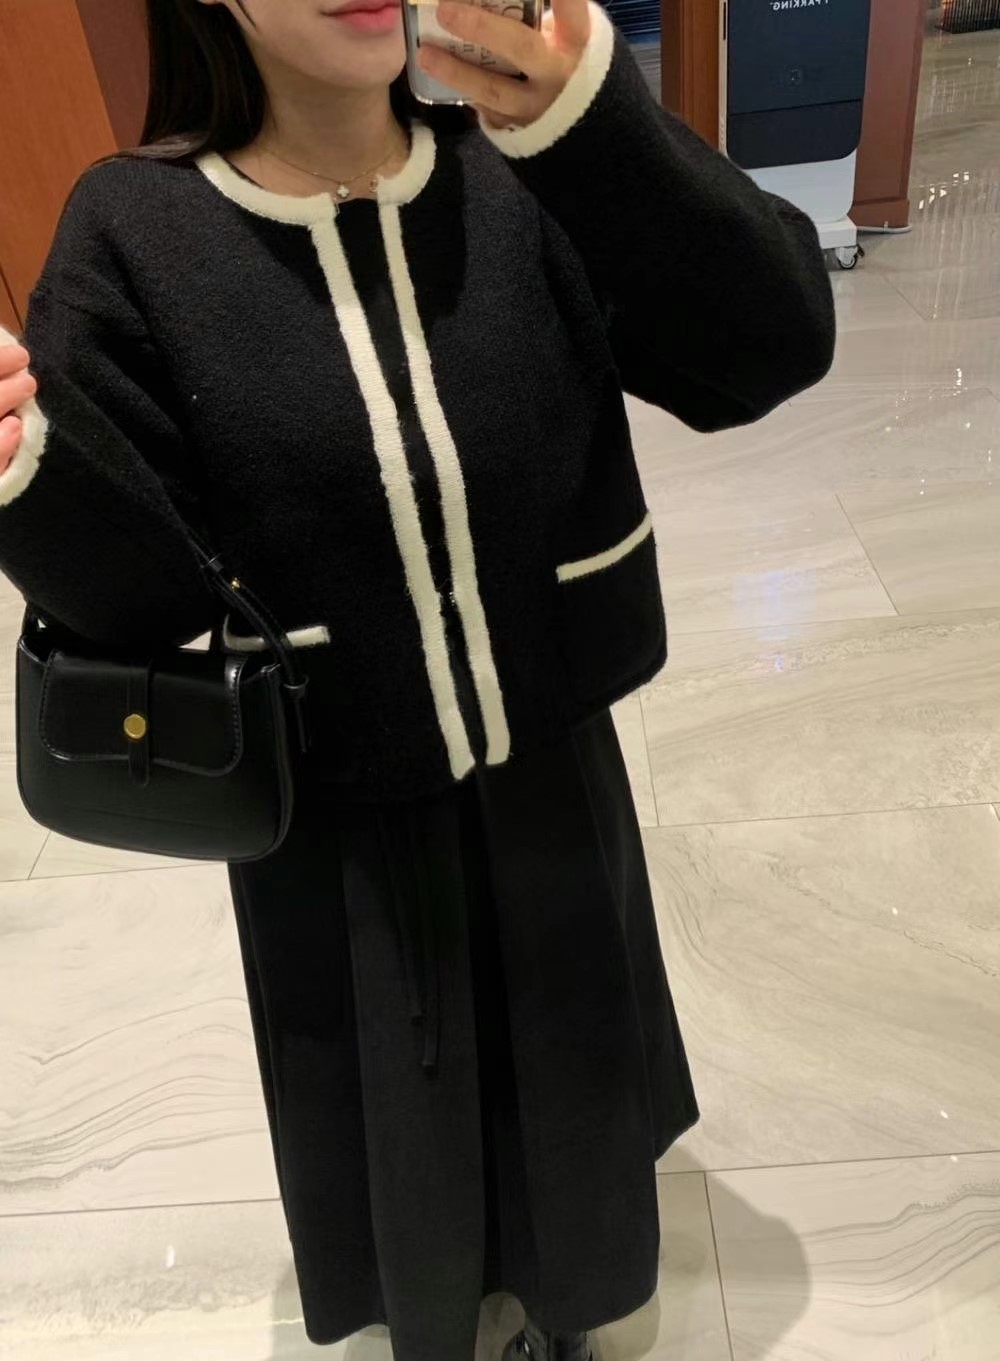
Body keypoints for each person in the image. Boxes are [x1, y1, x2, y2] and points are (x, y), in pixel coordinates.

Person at [0, 0, 835, 1357]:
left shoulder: (523, 168)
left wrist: (597, 126)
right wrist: (22, 473)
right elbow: (145, 598)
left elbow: (772, 342)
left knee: (571, 1083)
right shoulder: (134, 231)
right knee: (403, 1134)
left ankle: (576, 1308)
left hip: (552, 772)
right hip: (334, 818)